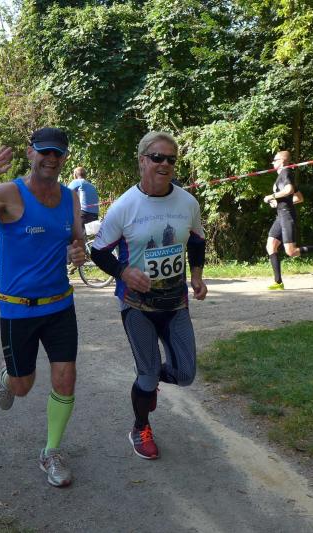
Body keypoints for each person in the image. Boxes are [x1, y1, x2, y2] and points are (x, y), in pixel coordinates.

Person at [0, 127, 86, 487]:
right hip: (18, 310)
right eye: (44, 151)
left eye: (57, 153)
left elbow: (77, 240)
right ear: (30, 153)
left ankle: (51, 452)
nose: (51, 159)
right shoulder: (9, 193)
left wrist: (78, 252)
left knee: (66, 377)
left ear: (64, 158)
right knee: (23, 386)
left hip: (59, 305)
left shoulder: (71, 197)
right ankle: (7, 377)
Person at [89, 131, 207, 460]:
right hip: (136, 305)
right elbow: (98, 251)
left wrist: (197, 276)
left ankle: (151, 378)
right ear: (142, 160)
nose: (165, 164)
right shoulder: (125, 206)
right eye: (157, 157)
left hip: (175, 303)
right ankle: (140, 428)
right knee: (146, 374)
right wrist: (123, 272)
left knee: (186, 375)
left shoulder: (187, 202)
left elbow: (197, 241)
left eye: (171, 159)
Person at [264, 150, 313, 290]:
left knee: (291, 252)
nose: (272, 162)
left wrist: (272, 196)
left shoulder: (286, 173)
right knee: (271, 246)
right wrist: (277, 203)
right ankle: (278, 282)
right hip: (280, 216)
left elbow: (289, 190)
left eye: (275, 160)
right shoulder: (281, 176)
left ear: (282, 161)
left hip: (287, 216)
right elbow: (299, 198)